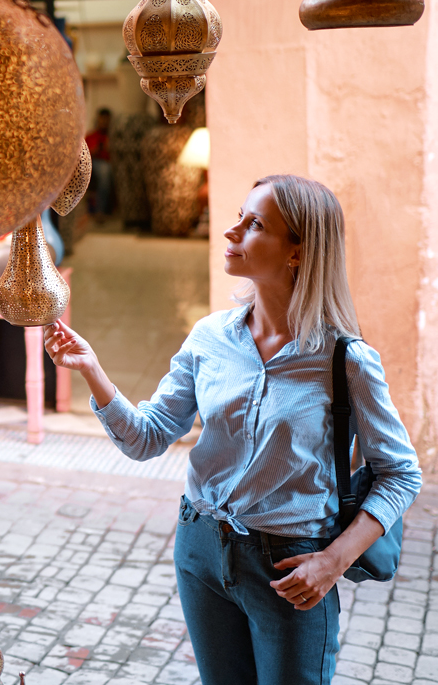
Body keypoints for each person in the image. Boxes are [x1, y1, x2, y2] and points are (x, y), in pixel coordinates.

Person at [44, 175, 421, 685]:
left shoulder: (346, 360)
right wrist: (93, 370)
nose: (230, 231)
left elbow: (400, 474)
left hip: (291, 568)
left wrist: (334, 561)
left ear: (297, 252)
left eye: (254, 224)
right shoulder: (209, 337)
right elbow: (147, 438)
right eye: (240, 217)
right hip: (199, 547)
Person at [84, 108, 113, 219]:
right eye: (103, 119)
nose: (104, 122)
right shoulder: (91, 136)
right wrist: (96, 150)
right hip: (95, 164)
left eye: (107, 120)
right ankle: (100, 211)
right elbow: (85, 156)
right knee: (105, 171)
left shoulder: (112, 137)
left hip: (111, 163)